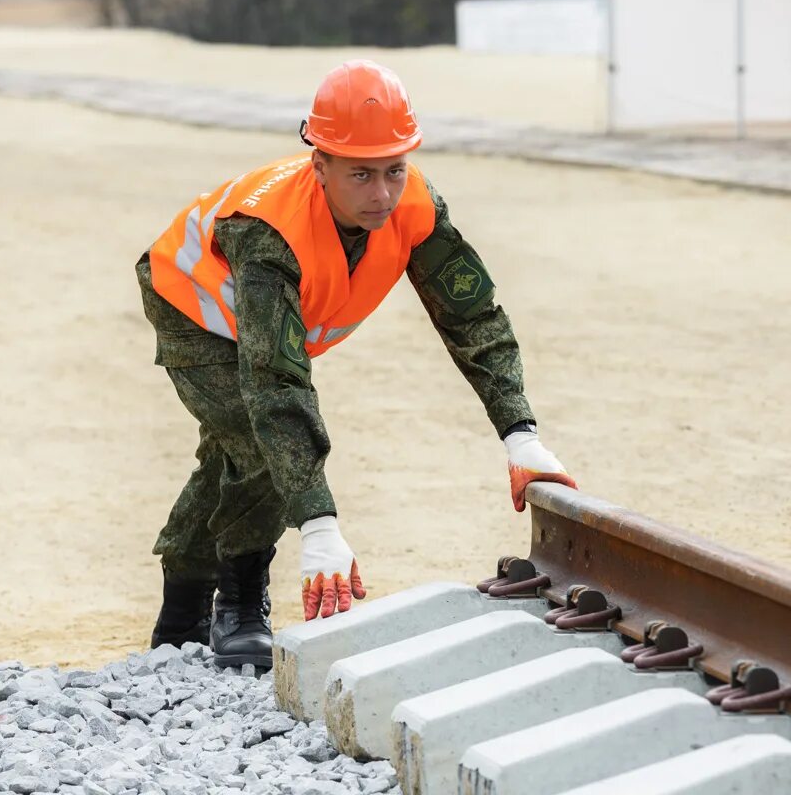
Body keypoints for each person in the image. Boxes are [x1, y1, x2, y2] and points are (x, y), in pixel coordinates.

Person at [135, 60, 577, 670]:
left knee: (236, 450)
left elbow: (472, 317)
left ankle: (178, 619)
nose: (382, 194)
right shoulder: (268, 235)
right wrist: (318, 525)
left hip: (266, 330)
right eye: (361, 174)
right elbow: (276, 386)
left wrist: (520, 434)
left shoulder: (415, 204)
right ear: (320, 165)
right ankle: (237, 602)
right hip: (192, 305)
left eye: (394, 170)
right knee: (258, 438)